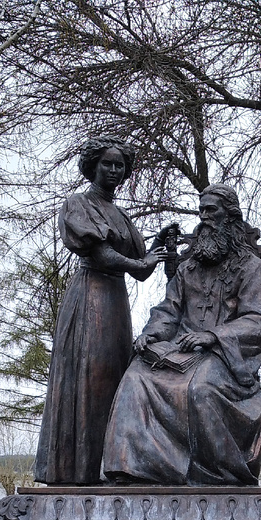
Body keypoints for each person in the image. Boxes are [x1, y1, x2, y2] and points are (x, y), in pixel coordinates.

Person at [102, 184, 261, 486]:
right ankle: (136, 470)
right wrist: (152, 335)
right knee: (134, 378)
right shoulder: (188, 269)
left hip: (224, 357)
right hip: (178, 353)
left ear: (230, 217)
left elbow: (259, 321)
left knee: (201, 389)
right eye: (201, 211)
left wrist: (214, 336)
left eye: (211, 211)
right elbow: (169, 312)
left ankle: (213, 474)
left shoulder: (251, 267)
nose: (203, 217)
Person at [33, 137, 166, 485]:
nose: (113, 169)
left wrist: (156, 246)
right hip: (91, 294)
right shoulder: (78, 204)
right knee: (90, 378)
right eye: (107, 163)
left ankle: (111, 466)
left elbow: (141, 269)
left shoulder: (120, 214)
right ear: (92, 166)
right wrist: (144, 260)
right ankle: (79, 470)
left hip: (116, 300)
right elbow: (104, 256)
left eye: (119, 164)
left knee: (116, 380)